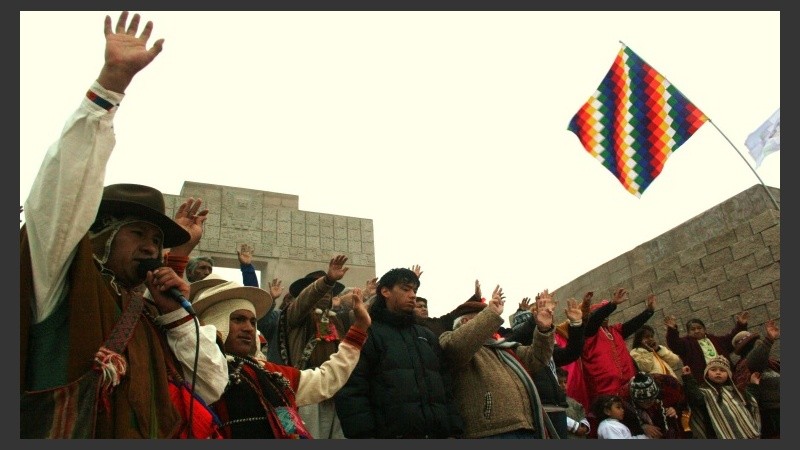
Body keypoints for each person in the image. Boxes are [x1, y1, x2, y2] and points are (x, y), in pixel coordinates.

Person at [20, 11, 228, 438]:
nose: (151, 247)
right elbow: (61, 193)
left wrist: (176, 317)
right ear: (101, 236)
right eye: (138, 233)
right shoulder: (60, 278)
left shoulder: (154, 312)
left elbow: (211, 382)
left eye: (157, 238)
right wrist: (110, 84)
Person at [190, 276, 372, 438]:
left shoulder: (269, 374)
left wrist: (359, 329)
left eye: (253, 322)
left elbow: (325, 380)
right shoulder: (194, 369)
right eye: (238, 319)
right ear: (214, 322)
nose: (248, 328)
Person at [334, 268, 464, 438]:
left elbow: (445, 387)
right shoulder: (367, 334)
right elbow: (352, 390)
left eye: (414, 290)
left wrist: (454, 430)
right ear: (385, 291)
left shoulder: (426, 336)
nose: (412, 295)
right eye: (405, 289)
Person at [439, 286, 557, 439]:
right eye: (484, 316)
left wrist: (543, 330)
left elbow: (536, 359)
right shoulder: (450, 340)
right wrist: (491, 313)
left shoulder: (502, 347)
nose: (493, 323)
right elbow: (457, 347)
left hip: (526, 427)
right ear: (465, 321)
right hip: (490, 432)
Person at [267, 257, 349, 439]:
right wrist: (327, 281)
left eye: (330, 290)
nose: (327, 292)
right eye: (320, 288)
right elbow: (305, 301)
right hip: (303, 391)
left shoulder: (334, 319)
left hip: (333, 393)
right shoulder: (293, 315)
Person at [499, 291, 586, 438]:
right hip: (537, 412)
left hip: (557, 408)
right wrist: (536, 319)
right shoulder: (513, 350)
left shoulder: (545, 348)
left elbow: (572, 353)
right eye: (535, 325)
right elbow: (514, 338)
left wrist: (576, 324)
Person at [579, 289, 657, 414]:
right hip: (606, 392)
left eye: (607, 315)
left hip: (629, 388)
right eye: (602, 313)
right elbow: (594, 320)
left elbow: (633, 325)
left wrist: (649, 311)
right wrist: (612, 304)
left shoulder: (615, 330)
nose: (605, 317)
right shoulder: (588, 333)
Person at [682, 357, 761, 439]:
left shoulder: (736, 391)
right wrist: (688, 378)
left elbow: (751, 402)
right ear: (707, 374)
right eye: (713, 370)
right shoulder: (704, 392)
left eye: (722, 370)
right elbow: (696, 398)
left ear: (728, 375)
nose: (718, 372)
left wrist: (754, 384)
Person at [665, 311, 748, 383]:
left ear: (704, 329)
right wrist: (672, 330)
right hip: (703, 382)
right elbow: (674, 344)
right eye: (693, 329)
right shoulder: (686, 344)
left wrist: (741, 325)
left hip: (726, 378)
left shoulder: (716, 340)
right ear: (688, 332)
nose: (697, 331)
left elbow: (732, 339)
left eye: (699, 328)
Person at [732, 320, 780, 438]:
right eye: (754, 343)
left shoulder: (771, 362)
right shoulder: (746, 364)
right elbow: (754, 360)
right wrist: (768, 340)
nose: (758, 344)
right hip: (771, 413)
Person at [556, 368, 590, 439]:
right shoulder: (553, 404)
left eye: (565, 382)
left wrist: (584, 426)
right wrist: (575, 427)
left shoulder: (573, 402)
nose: (563, 385)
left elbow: (582, 415)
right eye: (559, 382)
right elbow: (557, 418)